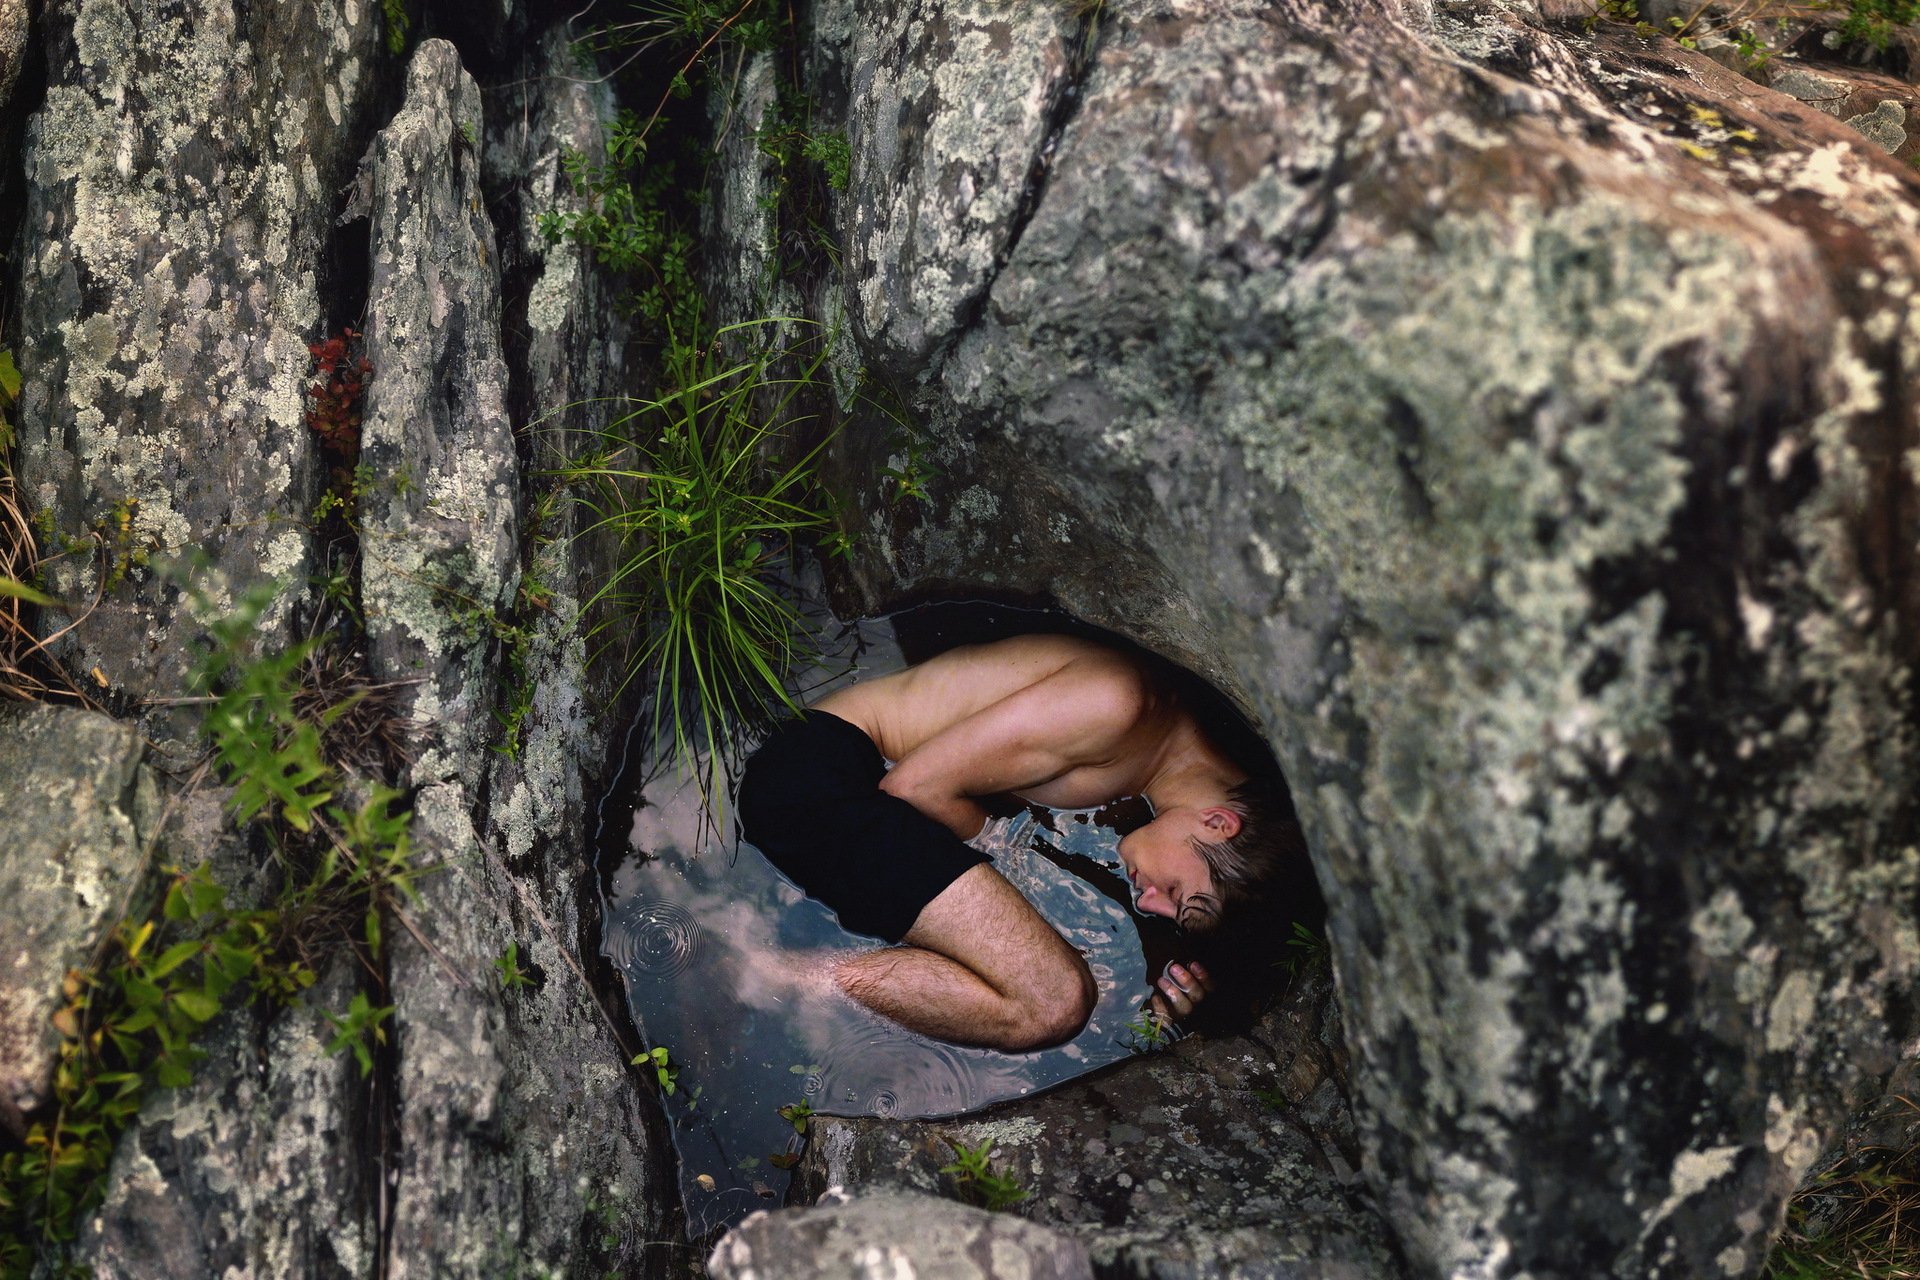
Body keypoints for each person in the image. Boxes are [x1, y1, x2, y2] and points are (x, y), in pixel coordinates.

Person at [737, 632, 1301, 1053]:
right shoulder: (1114, 705)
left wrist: (1167, 998)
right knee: (1052, 1004)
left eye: (1170, 913)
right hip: (818, 779)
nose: (1148, 901)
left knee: (1043, 977)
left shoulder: (1161, 784)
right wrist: (1009, 857)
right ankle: (774, 975)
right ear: (1221, 823)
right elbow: (914, 785)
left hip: (858, 794)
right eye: (1174, 891)